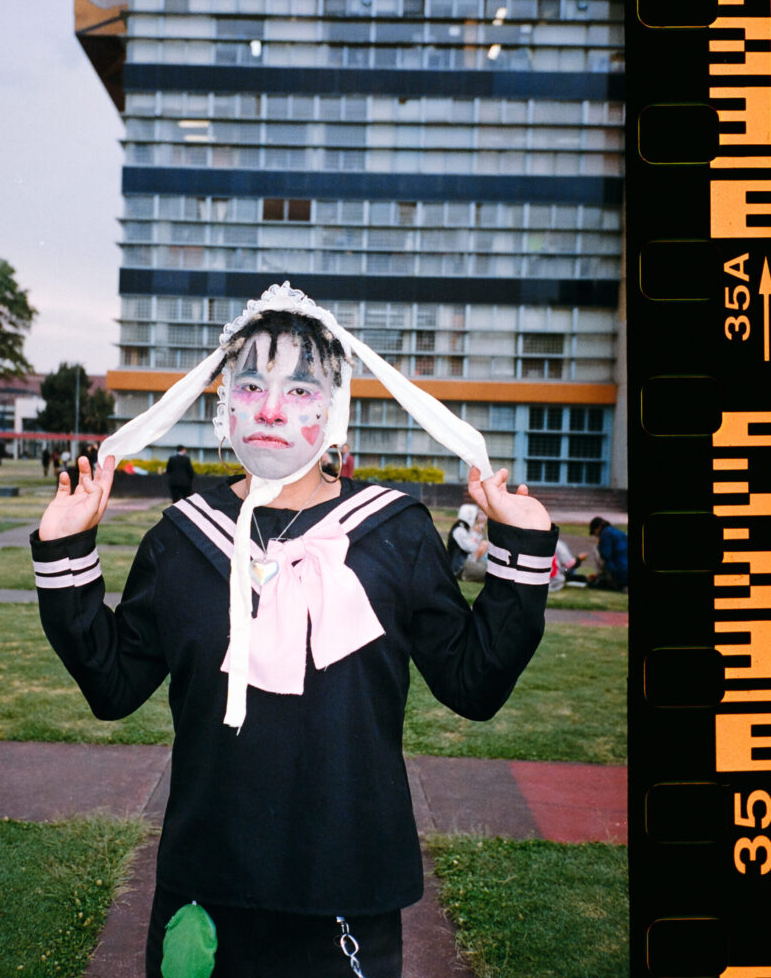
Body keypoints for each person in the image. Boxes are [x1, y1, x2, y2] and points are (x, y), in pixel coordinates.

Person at [31, 283, 556, 978]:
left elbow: (475, 684)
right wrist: (65, 553)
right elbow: (112, 685)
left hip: (349, 897)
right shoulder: (180, 540)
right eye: (252, 386)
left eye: (300, 390)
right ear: (224, 405)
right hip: (205, 895)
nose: (272, 409)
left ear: (335, 410)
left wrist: (522, 553)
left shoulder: (395, 534)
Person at [587, 516, 628, 591]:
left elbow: (606, 555)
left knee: (596, 548)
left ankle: (605, 580)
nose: (595, 535)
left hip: (618, 574)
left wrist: (600, 545)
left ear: (598, 527)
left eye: (594, 532)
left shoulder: (605, 534)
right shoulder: (619, 532)